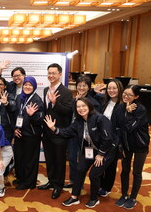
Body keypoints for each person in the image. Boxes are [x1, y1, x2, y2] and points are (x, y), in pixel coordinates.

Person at [44, 98, 114, 208]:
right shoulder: (78, 121)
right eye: (78, 107)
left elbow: (108, 139)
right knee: (79, 170)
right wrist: (53, 128)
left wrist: (101, 154)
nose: (81, 109)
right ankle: (74, 197)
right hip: (88, 151)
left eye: (83, 106)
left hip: (105, 152)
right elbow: (66, 132)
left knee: (93, 175)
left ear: (89, 106)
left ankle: (94, 199)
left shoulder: (99, 118)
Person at [38, 63, 72, 199]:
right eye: (49, 73)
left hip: (59, 132)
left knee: (59, 161)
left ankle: (58, 186)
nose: (51, 76)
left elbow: (68, 111)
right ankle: (51, 182)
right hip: (46, 132)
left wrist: (54, 103)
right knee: (50, 159)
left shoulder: (66, 92)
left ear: (59, 74)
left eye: (53, 73)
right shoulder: (46, 89)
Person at [116, 85, 150, 210]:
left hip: (140, 145)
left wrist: (129, 113)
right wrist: (120, 145)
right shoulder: (120, 107)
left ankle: (133, 198)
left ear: (136, 97)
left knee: (137, 172)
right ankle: (124, 195)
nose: (125, 96)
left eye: (129, 95)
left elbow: (130, 127)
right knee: (125, 170)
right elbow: (118, 127)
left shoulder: (140, 109)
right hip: (126, 144)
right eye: (124, 93)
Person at [65, 75, 101, 188]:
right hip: (72, 133)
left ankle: (79, 183)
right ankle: (72, 180)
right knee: (71, 157)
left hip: (85, 135)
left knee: (82, 160)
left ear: (89, 87)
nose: (81, 87)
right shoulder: (74, 99)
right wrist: (74, 102)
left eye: (84, 85)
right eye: (79, 85)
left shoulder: (93, 102)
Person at [91, 79, 124, 197]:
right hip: (102, 137)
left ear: (119, 89)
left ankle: (106, 187)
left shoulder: (123, 105)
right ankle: (100, 184)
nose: (111, 90)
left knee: (110, 165)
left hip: (114, 140)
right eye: (109, 88)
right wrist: (93, 91)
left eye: (114, 88)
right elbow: (90, 98)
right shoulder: (105, 101)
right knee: (101, 163)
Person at [13, 76, 43, 190]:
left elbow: (41, 119)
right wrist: (15, 129)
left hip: (32, 134)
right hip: (19, 133)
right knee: (19, 157)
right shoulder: (19, 98)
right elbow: (15, 115)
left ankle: (29, 182)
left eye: (30, 85)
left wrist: (32, 115)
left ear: (34, 86)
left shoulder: (37, 100)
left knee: (29, 159)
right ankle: (21, 178)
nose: (27, 87)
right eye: (26, 84)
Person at [0, 77, 16, 143]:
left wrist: (6, 103)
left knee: (6, 150)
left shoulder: (9, 96)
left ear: (5, 86)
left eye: (1, 84)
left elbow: (13, 108)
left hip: (6, 129)